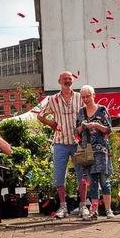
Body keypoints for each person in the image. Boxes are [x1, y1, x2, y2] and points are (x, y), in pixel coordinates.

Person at [37, 71, 86, 219]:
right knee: (59, 176)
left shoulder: (80, 97)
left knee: (82, 175)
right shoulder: (52, 99)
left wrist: (84, 126)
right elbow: (40, 114)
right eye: (64, 78)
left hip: (79, 142)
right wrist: (50, 122)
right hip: (60, 142)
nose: (67, 80)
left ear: (73, 81)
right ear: (59, 81)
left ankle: (83, 205)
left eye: (69, 78)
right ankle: (63, 206)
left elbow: (89, 112)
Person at [76, 85, 114, 220]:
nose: (86, 99)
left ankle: (108, 210)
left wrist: (96, 125)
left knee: (104, 181)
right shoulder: (81, 112)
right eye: (83, 97)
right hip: (87, 151)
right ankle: (94, 210)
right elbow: (77, 132)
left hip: (101, 150)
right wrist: (83, 126)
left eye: (88, 96)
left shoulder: (102, 109)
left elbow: (108, 129)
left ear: (94, 95)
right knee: (91, 183)